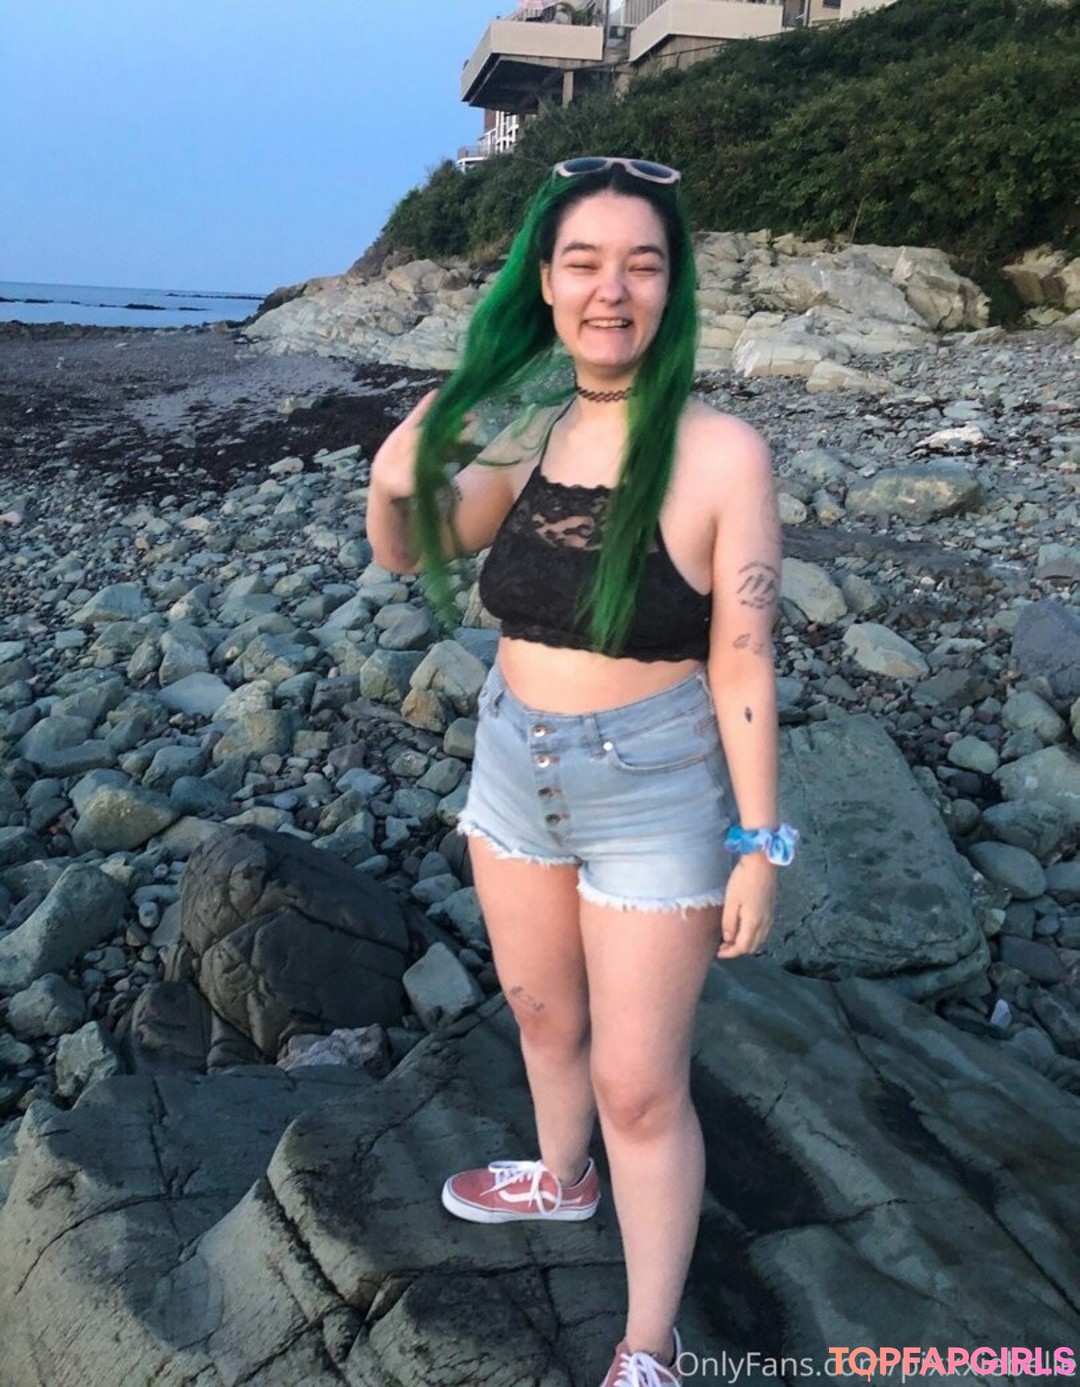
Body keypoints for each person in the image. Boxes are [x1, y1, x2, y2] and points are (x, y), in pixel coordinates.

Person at [367, 155, 796, 1387]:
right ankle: (560, 1178)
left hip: (657, 785)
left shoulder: (722, 453)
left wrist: (758, 843)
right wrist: (393, 475)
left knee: (640, 1085)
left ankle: (650, 1344)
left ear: (672, 288)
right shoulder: (531, 428)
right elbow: (410, 551)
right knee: (544, 1014)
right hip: (514, 762)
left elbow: (745, 656)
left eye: (642, 265)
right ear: (546, 285)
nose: (613, 289)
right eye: (586, 263)